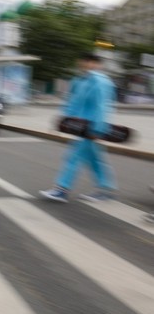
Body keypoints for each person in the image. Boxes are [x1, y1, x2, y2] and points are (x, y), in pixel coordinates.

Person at [40, 54, 117, 203]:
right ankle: (106, 190)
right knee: (95, 159)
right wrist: (63, 121)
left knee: (73, 157)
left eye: (87, 62)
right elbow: (73, 102)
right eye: (82, 61)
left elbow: (102, 106)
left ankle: (61, 189)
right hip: (81, 126)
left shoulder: (99, 81)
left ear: (95, 64)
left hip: (91, 127)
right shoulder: (81, 80)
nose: (83, 64)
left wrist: (98, 129)